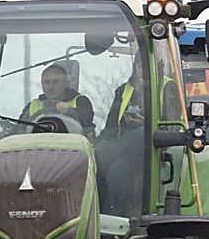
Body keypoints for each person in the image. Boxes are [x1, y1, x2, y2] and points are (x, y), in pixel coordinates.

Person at [97, 56, 148, 216]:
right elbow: (111, 127)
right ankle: (107, 219)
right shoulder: (123, 91)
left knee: (140, 135)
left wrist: (145, 123)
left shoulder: (166, 87)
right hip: (125, 153)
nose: (142, 70)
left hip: (151, 149)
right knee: (114, 170)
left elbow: (172, 124)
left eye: (146, 66)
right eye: (140, 65)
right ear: (135, 68)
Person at [19, 63, 94, 133]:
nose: (50, 87)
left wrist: (70, 111)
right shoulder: (32, 105)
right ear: (42, 84)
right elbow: (18, 131)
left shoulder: (80, 101)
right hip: (35, 145)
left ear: (66, 83)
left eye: (55, 82)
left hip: (74, 146)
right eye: (46, 82)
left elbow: (87, 122)